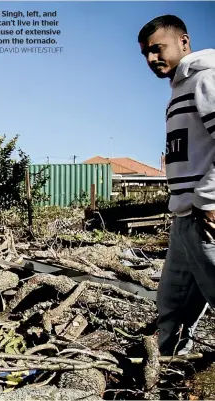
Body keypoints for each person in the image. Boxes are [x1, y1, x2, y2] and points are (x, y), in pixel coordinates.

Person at [137, 15, 215, 356]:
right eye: (146, 54)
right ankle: (166, 373)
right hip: (185, 219)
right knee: (171, 310)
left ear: (183, 42)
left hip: (204, 218)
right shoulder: (178, 89)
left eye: (158, 49)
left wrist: (209, 199)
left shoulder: (206, 78)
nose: (152, 59)